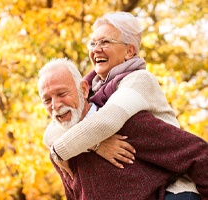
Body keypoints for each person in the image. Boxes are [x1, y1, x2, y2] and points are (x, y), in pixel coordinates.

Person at [41, 12, 207, 199]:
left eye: (105, 42)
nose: (96, 49)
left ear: (129, 51)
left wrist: (59, 151)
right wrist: (96, 144)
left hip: (170, 181)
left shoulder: (140, 80)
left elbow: (107, 121)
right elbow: (52, 131)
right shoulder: (93, 88)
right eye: (93, 43)